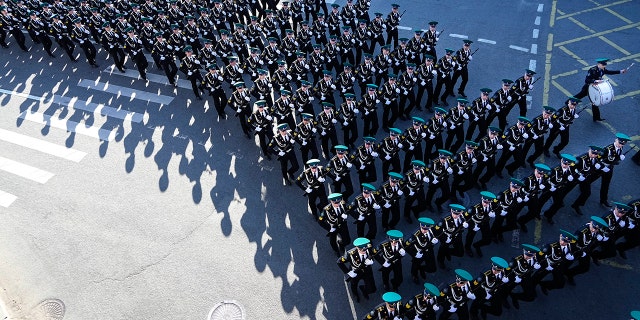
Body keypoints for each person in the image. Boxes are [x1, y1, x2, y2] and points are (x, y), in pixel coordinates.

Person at [337, 238, 377, 303]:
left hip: (367, 270)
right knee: (354, 284)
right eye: (361, 250)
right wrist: (349, 272)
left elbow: (373, 254)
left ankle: (364, 289)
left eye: (365, 249)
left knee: (372, 288)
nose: (364, 251)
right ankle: (355, 294)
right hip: (355, 271)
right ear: (357, 247)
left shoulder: (369, 248)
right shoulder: (350, 254)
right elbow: (339, 262)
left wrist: (372, 261)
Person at [570, 145, 605, 215]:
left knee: (587, 193)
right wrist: (578, 176)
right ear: (589, 150)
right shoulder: (580, 158)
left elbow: (599, 162)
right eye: (592, 153)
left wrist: (601, 166)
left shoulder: (597, 158)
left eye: (596, 154)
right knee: (566, 190)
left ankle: (576, 205)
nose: (594, 155)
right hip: (576, 177)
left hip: (586, 178)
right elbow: (571, 168)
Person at [405, 217, 440, 283]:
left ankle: (422, 269)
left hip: (429, 250)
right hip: (419, 252)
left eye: (426, 229)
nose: (424, 230)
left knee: (433, 268)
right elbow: (406, 246)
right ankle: (414, 275)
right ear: (420, 226)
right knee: (415, 266)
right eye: (423, 228)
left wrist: (436, 240)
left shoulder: (432, 229)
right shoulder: (415, 235)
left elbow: (439, 232)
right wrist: (415, 254)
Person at [599, 132, 630, 207]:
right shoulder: (607, 149)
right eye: (619, 143)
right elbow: (598, 159)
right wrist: (603, 167)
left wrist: (619, 158)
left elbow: (614, 158)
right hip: (600, 168)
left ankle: (603, 200)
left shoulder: (621, 147)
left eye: (623, 144)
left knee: (606, 184)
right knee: (590, 179)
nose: (620, 145)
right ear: (616, 140)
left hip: (609, 168)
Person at [464, 191, 498, 258]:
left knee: (488, 240)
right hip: (475, 224)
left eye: (488, 202)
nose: (486, 203)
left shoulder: (492, 205)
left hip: (485, 223)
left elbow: (498, 207)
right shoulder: (474, 209)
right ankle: (467, 248)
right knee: (470, 237)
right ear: (482, 199)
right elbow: (466, 218)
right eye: (484, 201)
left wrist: (495, 213)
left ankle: (477, 245)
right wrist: (472, 226)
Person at [437, 204, 469, 270]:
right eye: (454, 213)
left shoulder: (462, 217)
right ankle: (440, 260)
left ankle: (447, 252)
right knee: (442, 250)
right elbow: (438, 231)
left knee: (460, 253)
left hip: (457, 236)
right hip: (447, 237)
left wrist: (466, 225)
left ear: (461, 213)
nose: (455, 215)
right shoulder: (445, 220)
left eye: (457, 214)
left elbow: (471, 217)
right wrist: (445, 239)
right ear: (451, 211)